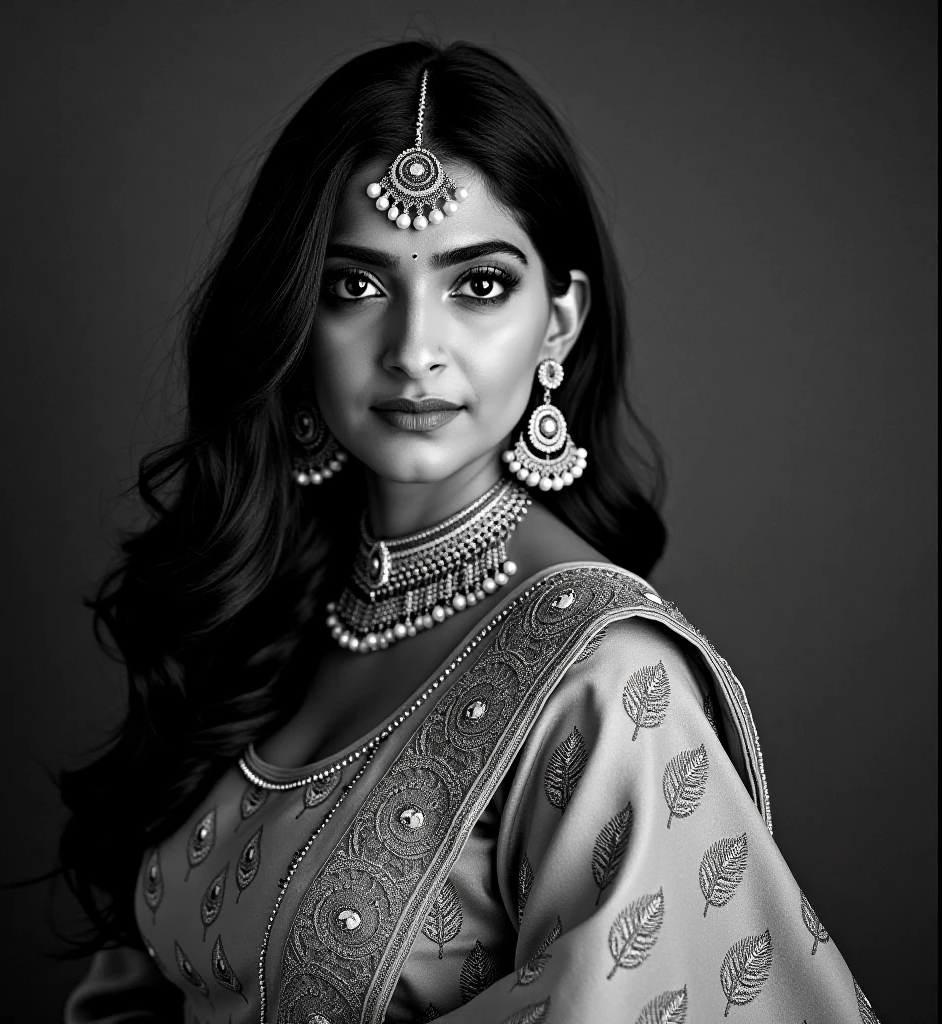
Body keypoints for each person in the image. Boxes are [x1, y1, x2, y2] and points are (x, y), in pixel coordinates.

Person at [60, 40, 878, 1024]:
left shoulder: (609, 682)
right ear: (290, 316)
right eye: (353, 287)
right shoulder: (271, 612)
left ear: (559, 324)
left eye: (478, 285)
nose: (414, 350)